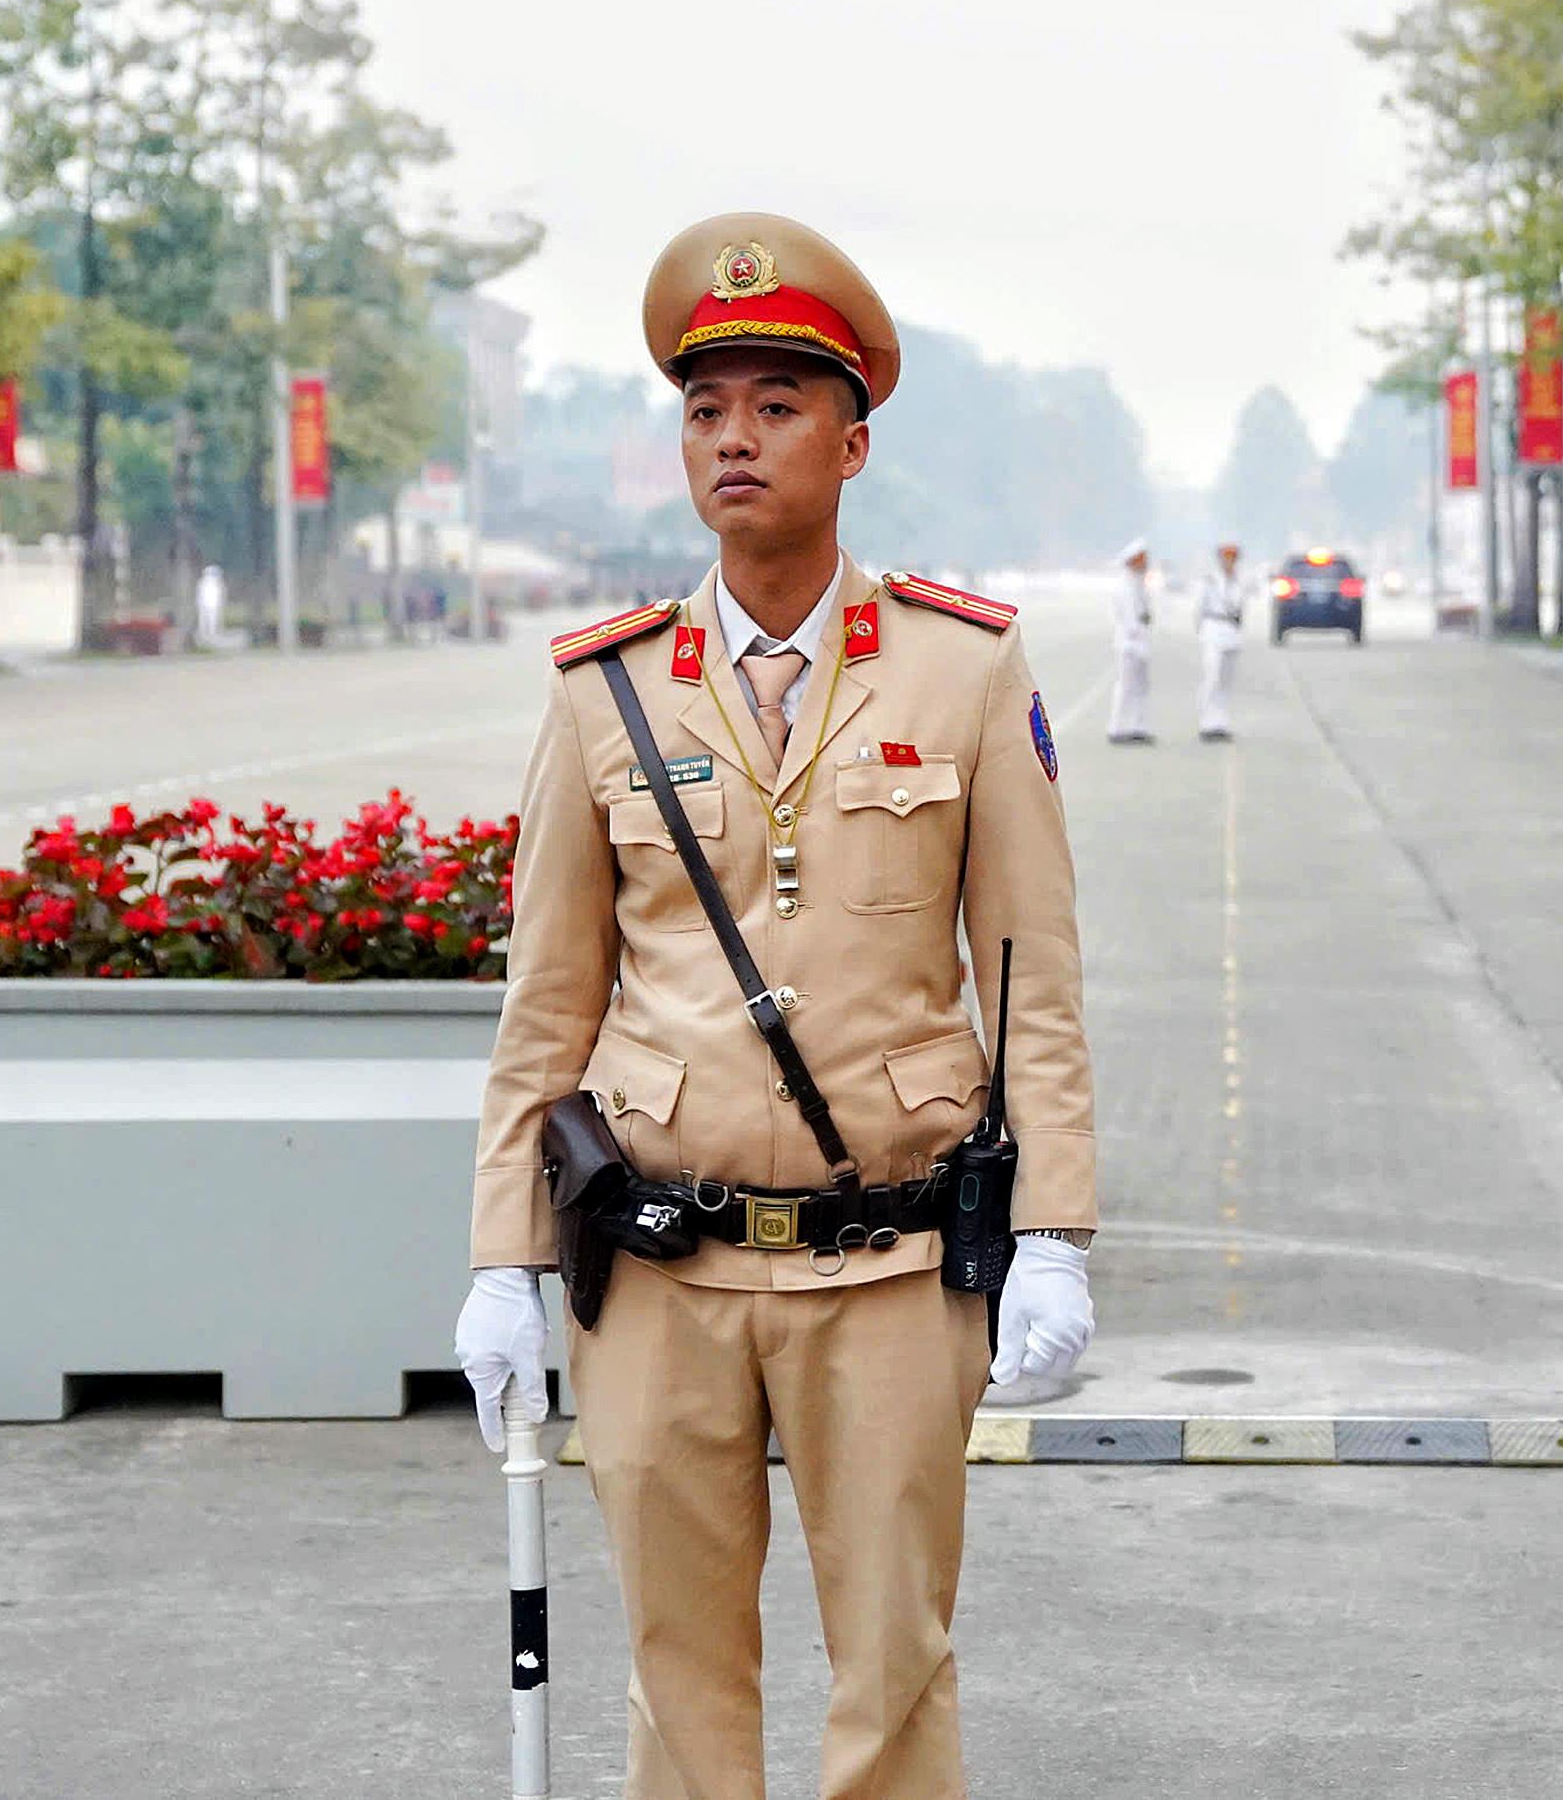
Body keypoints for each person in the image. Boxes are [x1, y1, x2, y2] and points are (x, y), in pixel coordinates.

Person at [453, 212, 1100, 1800]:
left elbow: (1033, 981)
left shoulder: (965, 669)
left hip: (887, 1264)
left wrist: (1061, 1236)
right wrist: (500, 1259)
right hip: (661, 1271)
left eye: (777, 405)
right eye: (705, 408)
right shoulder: (603, 688)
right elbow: (548, 1007)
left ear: (855, 439)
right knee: (681, 1679)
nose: (734, 439)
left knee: (893, 1669)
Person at [1196, 540, 1246, 740]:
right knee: (1212, 678)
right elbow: (1199, 610)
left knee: (1226, 681)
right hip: (1214, 630)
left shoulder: (1239, 581)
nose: (1230, 561)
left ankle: (1221, 723)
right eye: (1226, 557)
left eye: (1233, 557)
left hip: (1231, 633)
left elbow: (1240, 609)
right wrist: (1203, 633)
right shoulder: (1210, 581)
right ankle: (1207, 723)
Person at [1109, 538, 1154, 743]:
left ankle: (1137, 726)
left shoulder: (1138, 582)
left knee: (1141, 686)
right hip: (1129, 643)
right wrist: (1138, 632)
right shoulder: (1124, 585)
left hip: (1140, 642)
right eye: (1142, 559)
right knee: (1126, 686)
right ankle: (1118, 727)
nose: (1145, 563)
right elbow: (1129, 619)